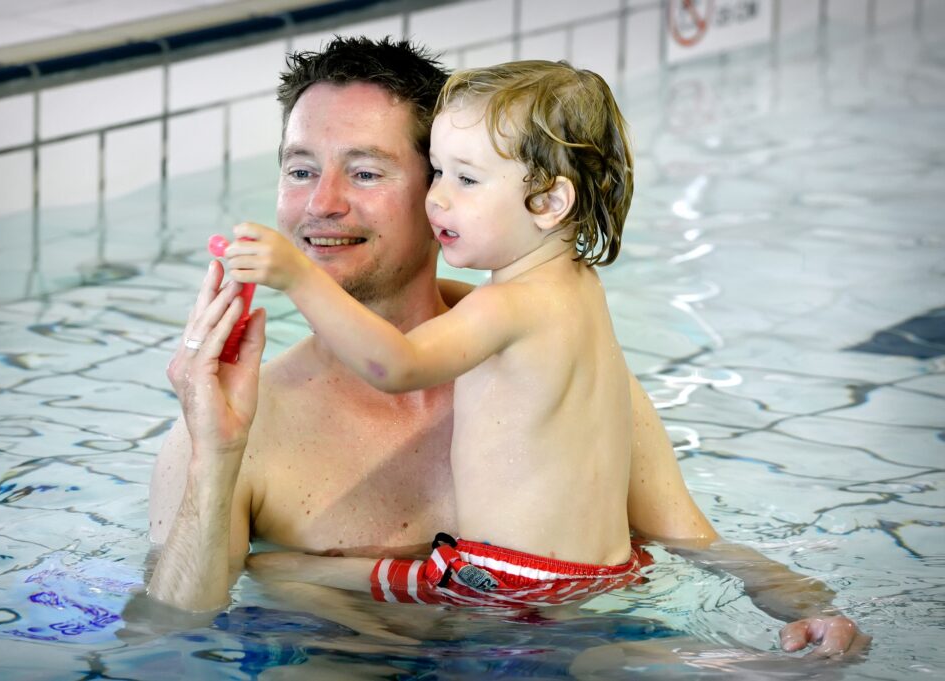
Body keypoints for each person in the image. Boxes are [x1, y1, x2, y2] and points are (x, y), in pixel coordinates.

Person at [145, 36, 867, 655]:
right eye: (300, 169)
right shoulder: (235, 412)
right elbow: (168, 632)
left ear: (443, 192)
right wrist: (218, 455)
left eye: (364, 172)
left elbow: (697, 546)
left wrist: (813, 608)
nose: (319, 203)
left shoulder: (557, 369)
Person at [224, 59, 647, 608]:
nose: (437, 199)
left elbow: (396, 366)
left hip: (510, 582)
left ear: (548, 202)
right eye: (438, 173)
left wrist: (298, 276)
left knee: (275, 571)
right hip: (609, 572)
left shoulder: (507, 306)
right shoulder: (581, 293)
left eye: (466, 179)